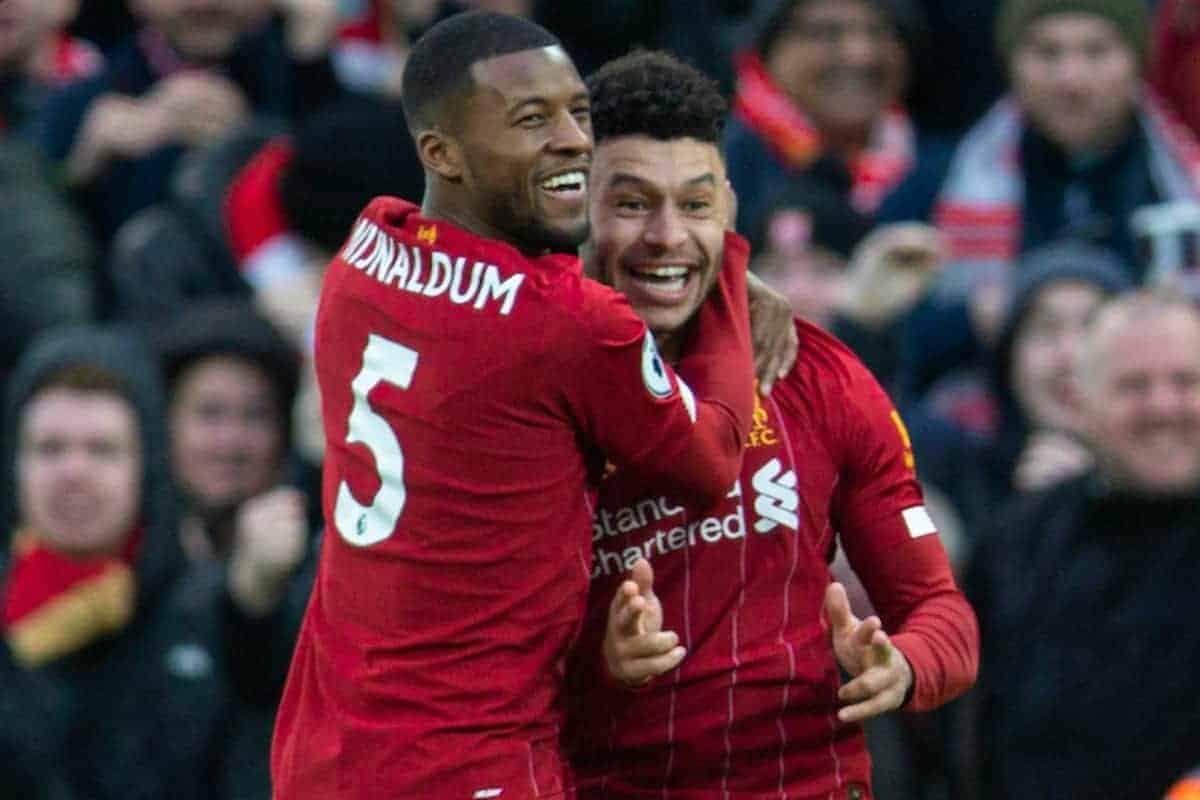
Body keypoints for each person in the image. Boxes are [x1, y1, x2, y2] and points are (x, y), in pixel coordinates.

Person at [270, 12, 758, 799]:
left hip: (323, 751)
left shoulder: (362, 255)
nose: (574, 140)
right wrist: (728, 265)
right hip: (467, 760)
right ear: (442, 153)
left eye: (579, 112)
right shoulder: (566, 324)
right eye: (533, 120)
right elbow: (709, 464)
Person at [565, 50, 978, 800]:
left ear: (726, 205)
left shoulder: (819, 377)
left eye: (693, 205)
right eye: (630, 204)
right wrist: (598, 662)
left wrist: (903, 664)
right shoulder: (524, 389)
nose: (666, 236)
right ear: (576, 207)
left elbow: (943, 616)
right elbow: (468, 669)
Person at [967, 290, 1200, 799]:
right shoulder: (1013, 544)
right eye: (1133, 386)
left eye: (1186, 382)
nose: (1163, 406)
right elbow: (970, 736)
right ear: (1082, 402)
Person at [0, 326, 235, 799]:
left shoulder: (218, 620)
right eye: (49, 448)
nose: (74, 472)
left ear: (146, 466)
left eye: (102, 449)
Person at [157, 300, 315, 799]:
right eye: (209, 413)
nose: (230, 441)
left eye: (255, 416)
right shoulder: (133, 556)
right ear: (166, 423)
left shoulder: (324, 568)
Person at [40, 0, 344, 242]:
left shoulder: (306, 73)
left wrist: (313, 67)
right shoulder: (80, 106)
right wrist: (83, 170)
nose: (204, 4)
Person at [724, 0, 924, 234]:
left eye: (880, 32)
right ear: (769, 48)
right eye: (827, 33)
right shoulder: (720, 166)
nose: (860, 55)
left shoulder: (944, 170)